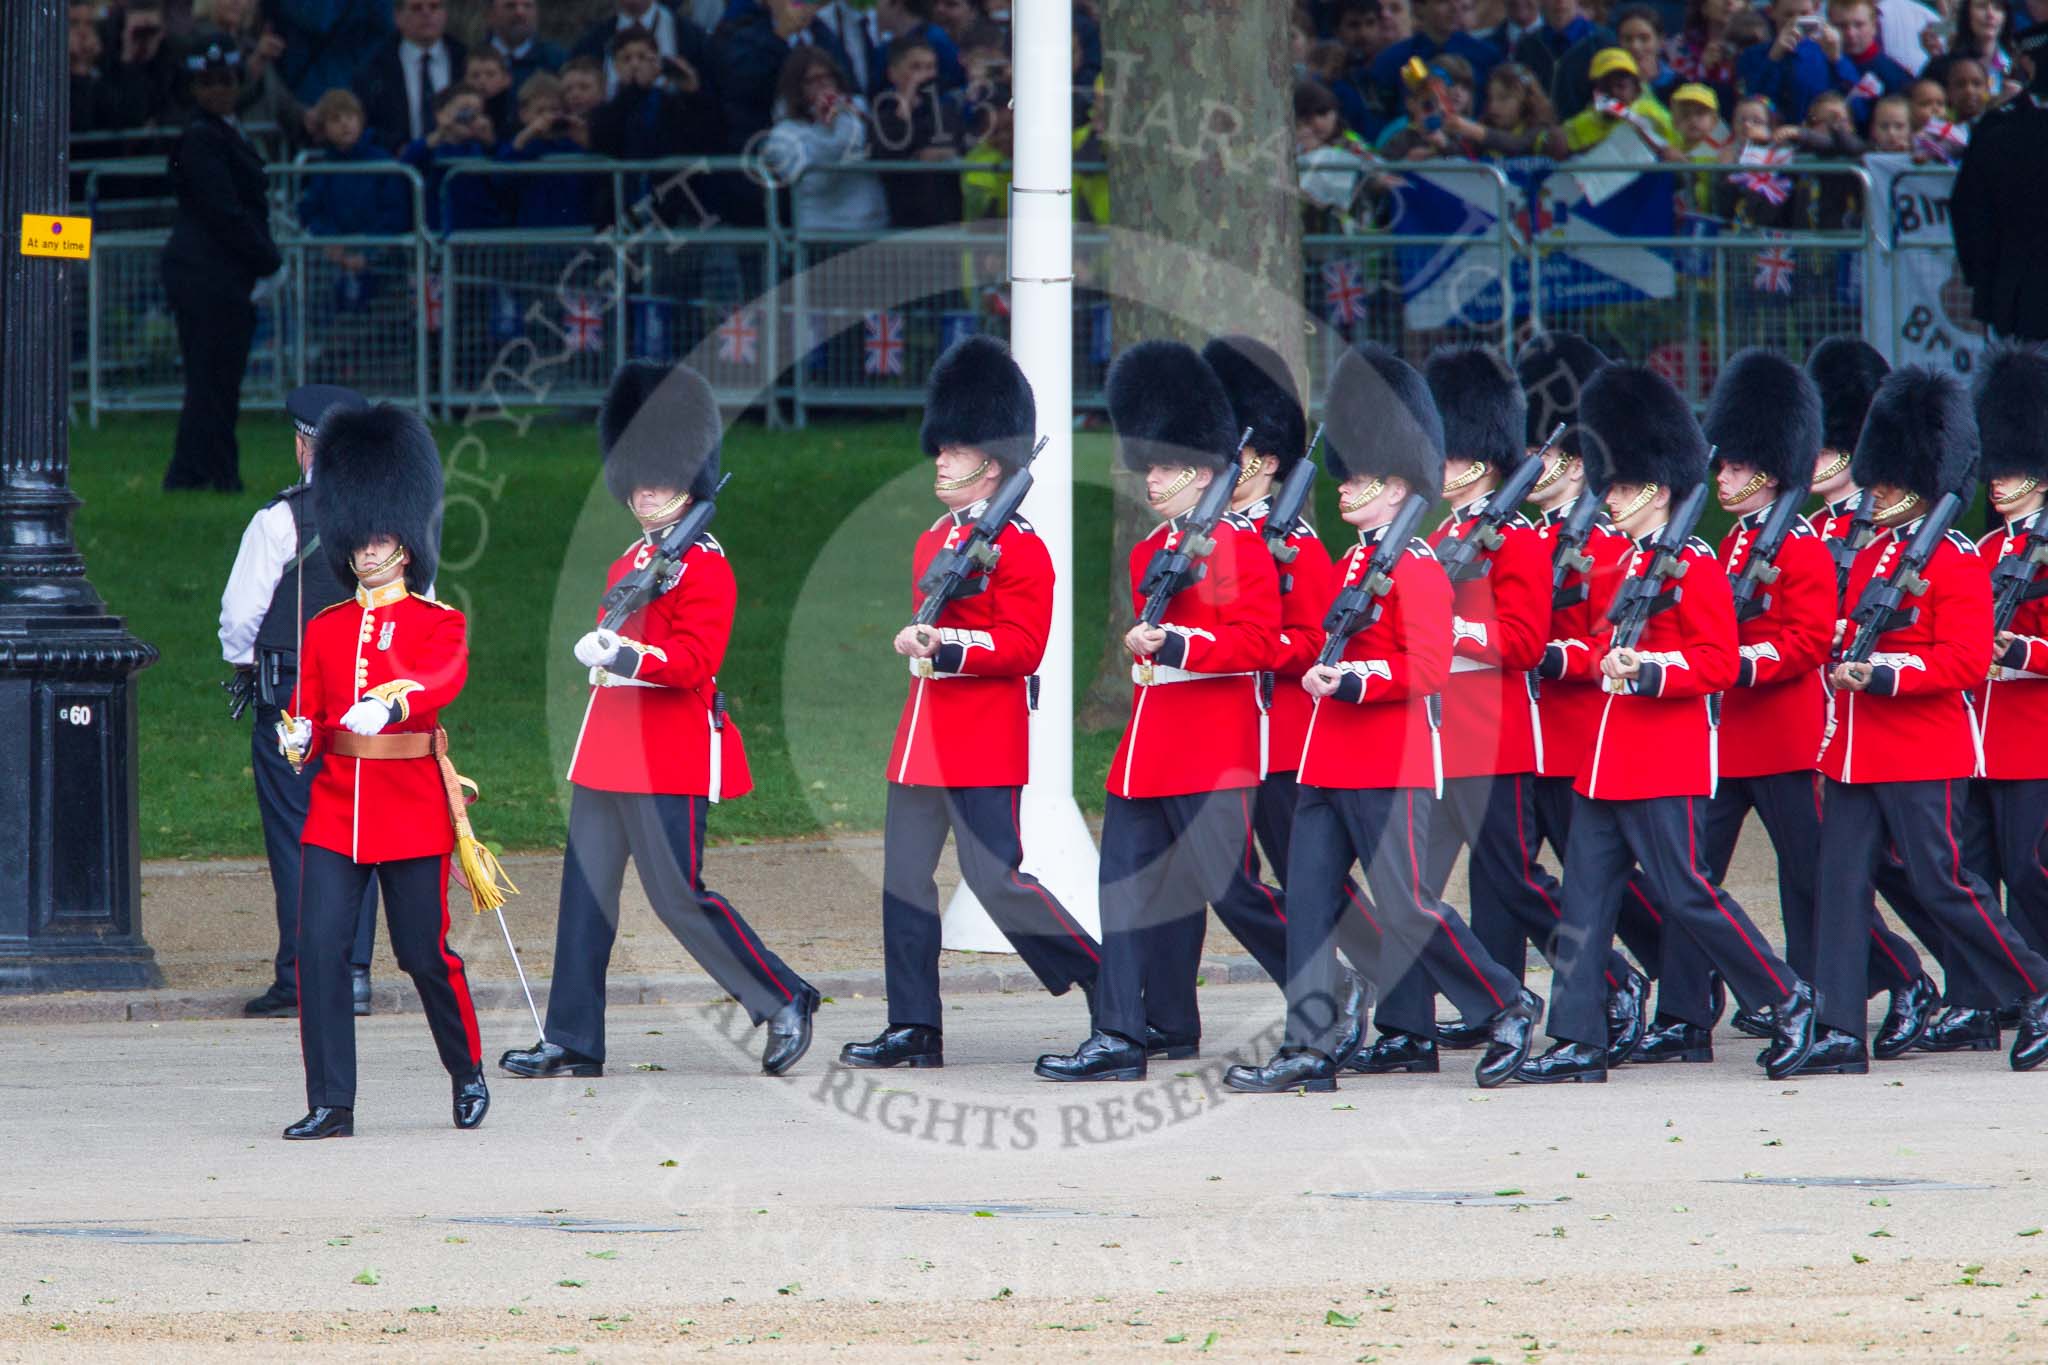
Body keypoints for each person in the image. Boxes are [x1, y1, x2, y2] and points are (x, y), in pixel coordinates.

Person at [1224, 343, 1540, 1093]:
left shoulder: (1420, 566)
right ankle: (1309, 1041)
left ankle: (1505, 1002)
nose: (1347, 490)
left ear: (1399, 485)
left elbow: (1427, 668)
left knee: (1406, 903)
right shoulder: (1351, 562)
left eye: (1362, 479)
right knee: (1308, 902)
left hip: (1389, 757)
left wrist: (1356, 679)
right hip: (1327, 759)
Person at [500, 363, 821, 1082]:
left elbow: (693, 660)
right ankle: (574, 1037)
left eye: (660, 479)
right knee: (584, 897)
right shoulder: (632, 557)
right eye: (636, 480)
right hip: (608, 750)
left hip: (666, 750)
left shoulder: (704, 564)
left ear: (690, 478)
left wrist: (625, 652)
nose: (645, 492)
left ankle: (782, 996)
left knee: (678, 895)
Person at [1514, 364, 1820, 1084]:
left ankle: (1786, 994)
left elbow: (1714, 661)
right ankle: (1579, 1036)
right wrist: (1563, 659)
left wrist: (1648, 672)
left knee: (1687, 890)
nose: (1606, 497)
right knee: (1586, 897)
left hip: (1663, 757)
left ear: (1652, 488)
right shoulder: (1616, 561)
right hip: (1603, 757)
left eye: (1616, 487)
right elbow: (1597, 643)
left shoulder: (1697, 565)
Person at [1633, 351, 1934, 1063]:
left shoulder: (1796, 544)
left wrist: (1734, 663)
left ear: (1768, 470)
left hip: (1788, 737)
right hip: (1727, 737)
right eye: (1726, 467)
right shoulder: (1728, 543)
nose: (1723, 478)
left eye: (1737, 469)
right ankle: (1683, 1013)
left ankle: (1899, 976)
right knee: (1688, 877)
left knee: (1812, 881)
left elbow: (1802, 642)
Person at [1366, 345, 1650, 1074]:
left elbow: (1524, 642)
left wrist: (1449, 629)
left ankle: (1613, 979)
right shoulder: (1434, 539)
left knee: (1517, 883)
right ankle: (1406, 1026)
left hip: (1495, 737)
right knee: (1411, 890)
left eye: (1455, 453)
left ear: (1482, 460)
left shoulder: (1517, 543)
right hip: (1437, 736)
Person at [839, 339, 1100, 1070]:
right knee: (903, 880)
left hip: (982, 738)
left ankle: (1105, 980)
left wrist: (945, 644)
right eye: (942, 448)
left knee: (998, 880)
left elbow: (1023, 647)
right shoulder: (934, 542)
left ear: (993, 461)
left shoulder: (1021, 547)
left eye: (956, 450)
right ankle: (914, 1024)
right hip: (921, 739)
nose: (941, 461)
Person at [1034, 341, 1282, 1083]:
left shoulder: (1239, 545)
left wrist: (1177, 640)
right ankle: (1119, 1032)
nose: (1154, 479)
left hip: (1210, 744)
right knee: (1123, 892)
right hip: (1146, 749)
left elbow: (1259, 641)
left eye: (1167, 468)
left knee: (1233, 892)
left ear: (1206, 472)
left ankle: (1326, 989)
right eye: (1149, 467)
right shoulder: (1152, 551)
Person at [1813, 365, 2048, 1074]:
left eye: (1883, 478)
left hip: (1921, 747)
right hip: (1856, 748)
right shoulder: (1871, 551)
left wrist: (1884, 673)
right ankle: (1838, 1027)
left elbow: (1964, 660)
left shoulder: (1951, 559)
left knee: (1943, 880)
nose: (1873, 489)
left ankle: (2036, 987)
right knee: (1841, 882)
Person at [276, 403, 488, 1140]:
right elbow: (303, 715)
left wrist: (392, 703)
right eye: (357, 539)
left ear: (403, 540)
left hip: (409, 810)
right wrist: (298, 736)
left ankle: (466, 1070)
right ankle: (333, 1101)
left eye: (378, 537)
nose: (366, 550)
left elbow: (442, 678)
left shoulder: (439, 622)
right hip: (337, 813)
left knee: (423, 953)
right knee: (320, 953)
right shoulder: (326, 627)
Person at [1202, 334, 1374, 1054]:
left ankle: (1386, 971)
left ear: (1265, 461)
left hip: (1284, 736)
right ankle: (1328, 981)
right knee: (1228, 879)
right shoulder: (1208, 536)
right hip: (1222, 735)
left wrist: (1251, 649)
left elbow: (1313, 639)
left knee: (1314, 883)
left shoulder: (1295, 543)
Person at [219, 385, 379, 1022]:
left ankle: (304, 975)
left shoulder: (281, 519)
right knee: (360, 830)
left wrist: (247, 664)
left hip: (292, 697)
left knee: (297, 835)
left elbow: (240, 620)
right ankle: (355, 972)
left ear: (303, 443)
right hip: (372, 699)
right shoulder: (393, 519)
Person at [159, 42, 280, 494]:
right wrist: (269, 257)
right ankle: (216, 473)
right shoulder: (201, 138)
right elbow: (224, 211)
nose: (217, 91)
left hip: (218, 272)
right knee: (212, 379)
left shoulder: (221, 132)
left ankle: (193, 472)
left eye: (225, 81)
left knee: (214, 379)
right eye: (207, 83)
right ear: (194, 88)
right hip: (207, 273)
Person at [1970, 346, 2048, 960]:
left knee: (2027, 870)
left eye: (2012, 467)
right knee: (1972, 869)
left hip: (2031, 734)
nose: (1998, 479)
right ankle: (1989, 992)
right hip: (1976, 734)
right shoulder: (1983, 546)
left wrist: (2018, 649)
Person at [1951, 15, 2048, 342]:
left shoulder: (1998, 126)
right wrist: (1985, 279)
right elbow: (1969, 208)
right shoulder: (1997, 128)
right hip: (2018, 293)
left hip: (2014, 289)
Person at [759, 48, 890, 233]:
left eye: (828, 78)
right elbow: (812, 183)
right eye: (812, 81)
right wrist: (828, 127)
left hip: (871, 225)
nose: (823, 86)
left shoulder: (856, 109)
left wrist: (844, 119)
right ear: (796, 87)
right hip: (822, 231)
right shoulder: (783, 133)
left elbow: (863, 149)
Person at [869, 34, 966, 228]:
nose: (925, 75)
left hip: (949, 222)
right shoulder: (884, 113)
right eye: (915, 67)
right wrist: (904, 107)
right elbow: (887, 157)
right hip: (906, 225)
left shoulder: (946, 111)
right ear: (893, 73)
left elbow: (960, 148)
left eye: (930, 67)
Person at [351, 0, 467, 152]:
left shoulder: (465, 61)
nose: (427, 14)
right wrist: (399, 148)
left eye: (434, 7)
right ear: (397, 17)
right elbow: (366, 124)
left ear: (445, 14)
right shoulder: (374, 69)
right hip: (399, 168)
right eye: (416, 8)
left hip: (459, 165)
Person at [500, 72, 595, 229]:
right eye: (540, 111)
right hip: (533, 234)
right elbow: (501, 180)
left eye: (554, 110)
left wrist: (585, 141)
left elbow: (597, 181)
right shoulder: (520, 145)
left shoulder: (571, 146)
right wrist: (526, 136)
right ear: (523, 114)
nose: (548, 117)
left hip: (574, 232)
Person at [1371, 0, 1501, 110]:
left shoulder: (1486, 56)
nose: (1455, 7)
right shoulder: (1394, 59)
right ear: (1419, 7)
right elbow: (1382, 114)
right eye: (1443, 1)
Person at [1561, 47, 1676, 154]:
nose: (1614, 92)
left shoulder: (1654, 115)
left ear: (1636, 89)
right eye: (1606, 87)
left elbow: (1678, 149)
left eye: (1621, 86)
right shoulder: (1581, 123)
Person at [482, 0, 566, 91]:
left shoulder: (557, 60)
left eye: (527, 5)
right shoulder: (469, 61)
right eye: (510, 5)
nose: (520, 12)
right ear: (490, 14)